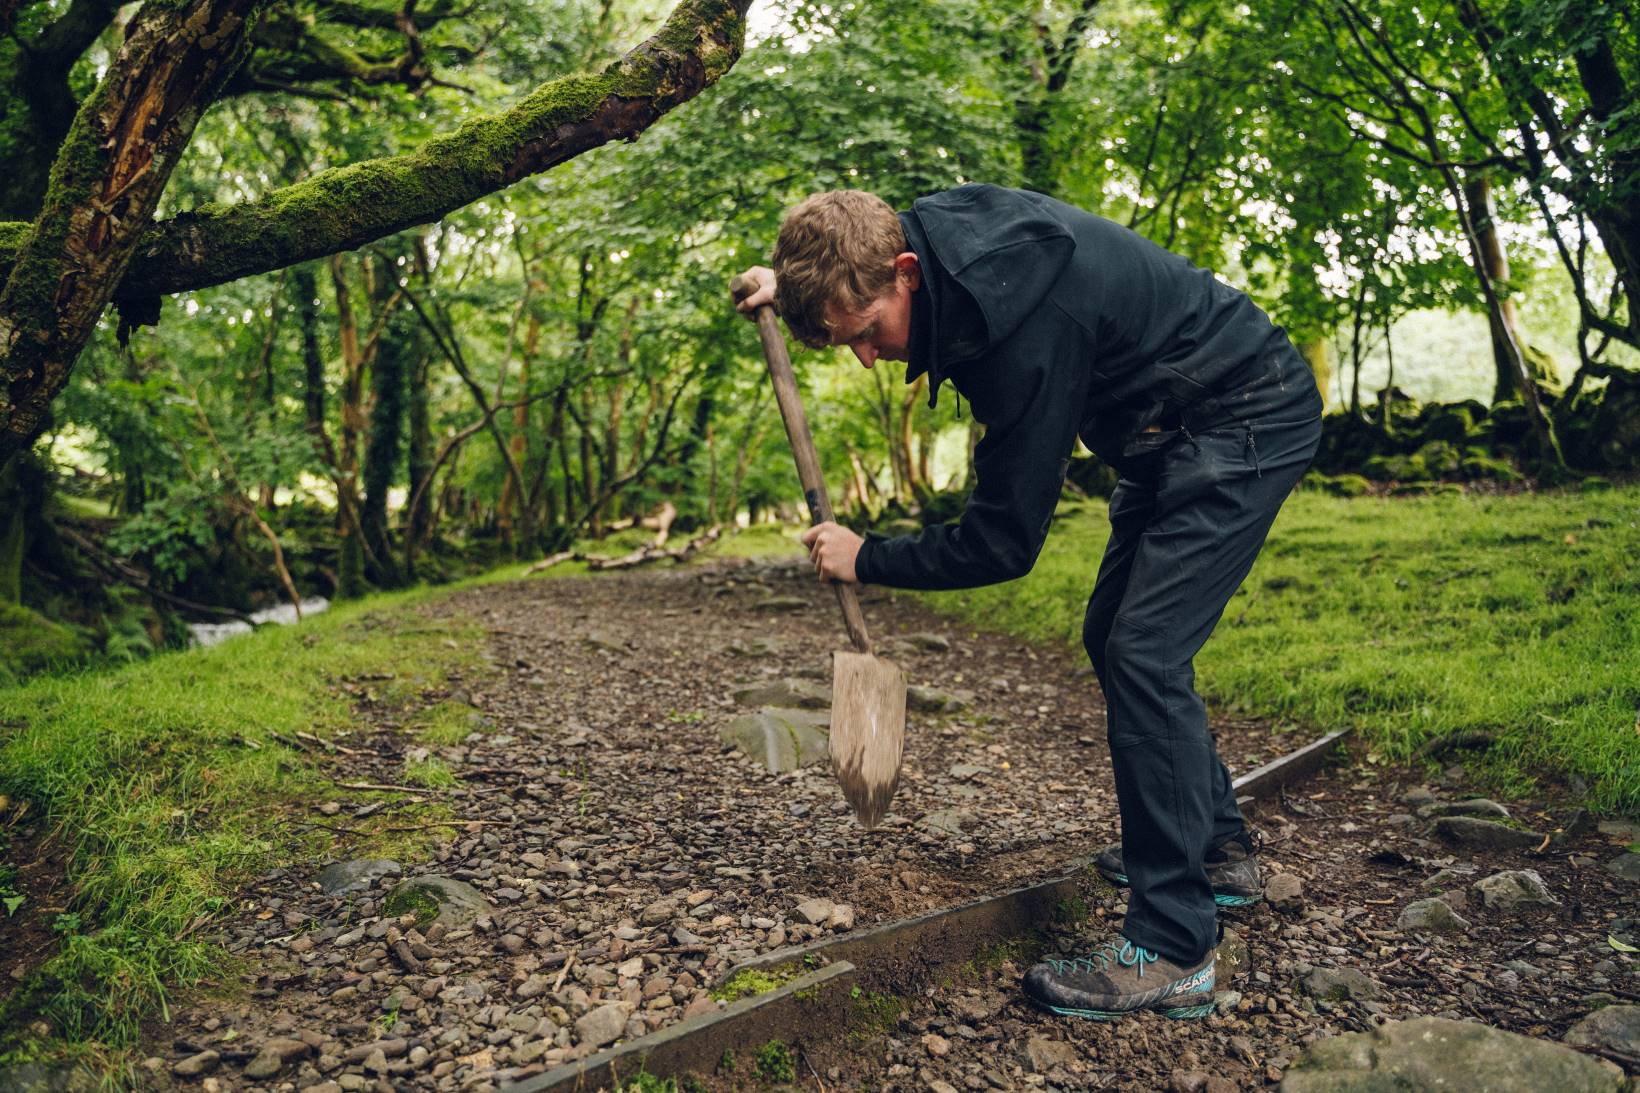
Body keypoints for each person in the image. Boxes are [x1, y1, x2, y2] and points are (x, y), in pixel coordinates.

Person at [734, 184, 1322, 1021]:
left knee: (1144, 650)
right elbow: (846, 241)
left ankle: (1174, 945)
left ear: (905, 274)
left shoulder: (1027, 333)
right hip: (1169, 428)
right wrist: (788, 286)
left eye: (866, 333)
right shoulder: (921, 247)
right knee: (1114, 633)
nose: (868, 357)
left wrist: (870, 555)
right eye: (844, 339)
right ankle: (1216, 852)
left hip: (1244, 415)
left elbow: (1004, 543)